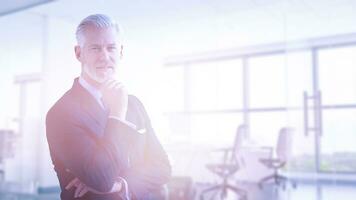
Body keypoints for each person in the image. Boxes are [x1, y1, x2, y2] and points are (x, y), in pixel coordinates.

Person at [46, 14, 171, 200]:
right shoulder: (61, 114)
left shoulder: (134, 104)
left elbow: (162, 167)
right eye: (95, 48)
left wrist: (121, 184)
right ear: (79, 53)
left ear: (121, 52)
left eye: (111, 48)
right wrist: (117, 115)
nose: (105, 57)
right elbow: (102, 179)